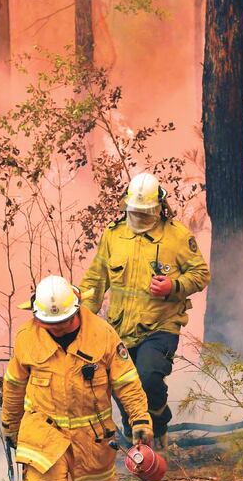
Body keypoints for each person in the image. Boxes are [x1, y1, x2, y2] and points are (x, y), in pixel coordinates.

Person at [1, 275, 152, 481]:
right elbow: (13, 386)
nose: (57, 329)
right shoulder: (27, 339)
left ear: (78, 308)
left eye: (64, 323)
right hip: (43, 429)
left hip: (92, 435)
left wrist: (140, 420)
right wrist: (11, 425)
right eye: (51, 324)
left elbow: (127, 382)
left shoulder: (103, 335)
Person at [79, 172, 210, 448]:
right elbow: (94, 281)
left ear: (159, 207)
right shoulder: (113, 235)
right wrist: (83, 323)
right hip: (120, 328)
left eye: (145, 212)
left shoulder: (177, 237)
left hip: (160, 326)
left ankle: (159, 425)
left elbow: (200, 274)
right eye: (134, 212)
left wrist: (173, 286)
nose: (139, 218)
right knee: (121, 385)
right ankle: (137, 447)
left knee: (148, 377)